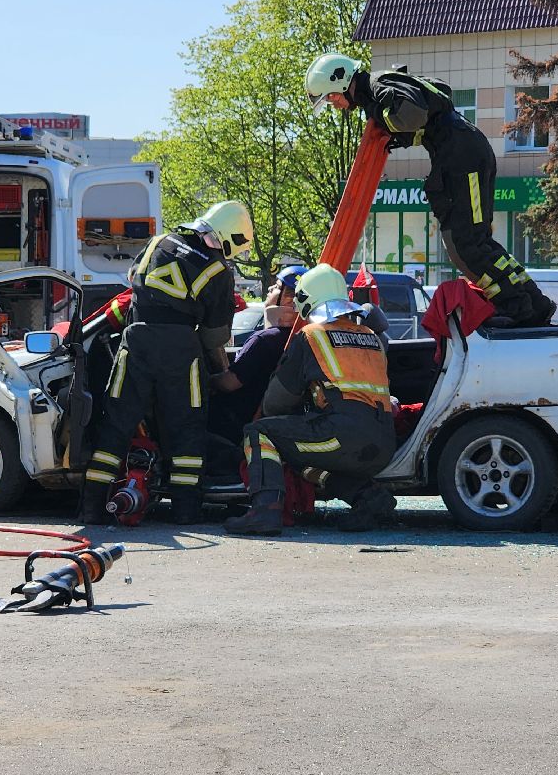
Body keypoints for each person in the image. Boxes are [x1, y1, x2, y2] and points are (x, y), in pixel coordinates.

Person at [306, 52, 555, 328]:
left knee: (466, 243)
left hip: (461, 158)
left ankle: (517, 307)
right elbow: (431, 105)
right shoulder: (384, 84)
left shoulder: (379, 87)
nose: (334, 104)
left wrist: (379, 117)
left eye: (330, 97)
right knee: (475, 241)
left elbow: (411, 114)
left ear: (340, 81)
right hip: (464, 153)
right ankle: (535, 303)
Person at [81, 201, 250, 525]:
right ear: (230, 238)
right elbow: (215, 335)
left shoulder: (160, 242)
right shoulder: (217, 269)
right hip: (181, 350)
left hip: (136, 342)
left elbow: (133, 281)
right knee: (186, 430)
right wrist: (215, 365)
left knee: (116, 424)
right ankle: (186, 510)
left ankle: (91, 508)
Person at [225, 266, 397, 536]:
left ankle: (265, 511)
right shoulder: (371, 336)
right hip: (384, 442)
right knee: (303, 457)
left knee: (259, 432)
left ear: (307, 299)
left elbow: (277, 402)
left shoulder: (311, 335)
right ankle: (368, 497)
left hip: (341, 436)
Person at [208, 264, 308, 446]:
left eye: (277, 286)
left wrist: (207, 381)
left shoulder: (265, 340)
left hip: (235, 423)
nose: (270, 288)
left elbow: (230, 383)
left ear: (289, 300)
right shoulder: (303, 340)